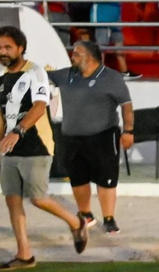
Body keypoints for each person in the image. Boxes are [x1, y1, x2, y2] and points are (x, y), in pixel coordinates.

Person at [0, 26, 88, 270]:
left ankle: (76, 223)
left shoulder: (35, 72)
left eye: (7, 47)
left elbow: (39, 106)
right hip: (11, 149)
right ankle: (25, 254)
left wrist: (17, 131)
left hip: (37, 144)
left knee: (38, 198)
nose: (2, 51)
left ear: (20, 48)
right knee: (12, 201)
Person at [48, 39, 134, 234]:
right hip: (71, 137)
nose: (73, 56)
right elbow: (40, 77)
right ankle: (85, 214)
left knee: (106, 179)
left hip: (103, 136)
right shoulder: (66, 74)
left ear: (91, 57)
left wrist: (128, 130)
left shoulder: (111, 77)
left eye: (77, 53)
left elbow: (126, 106)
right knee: (78, 178)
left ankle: (109, 218)